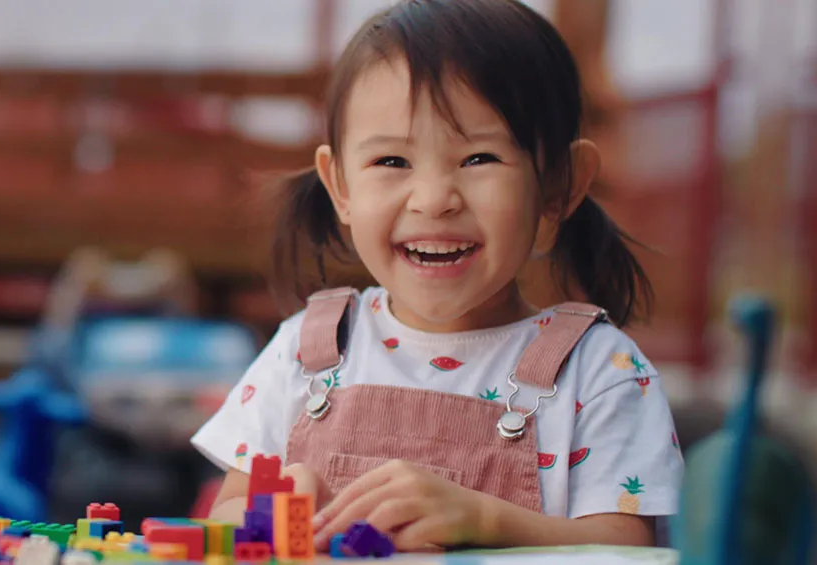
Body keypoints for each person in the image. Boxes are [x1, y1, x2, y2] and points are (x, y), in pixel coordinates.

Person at [190, 0, 683, 552]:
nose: (434, 200)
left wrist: (488, 522)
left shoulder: (599, 375)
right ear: (342, 187)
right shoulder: (307, 352)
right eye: (392, 162)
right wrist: (270, 509)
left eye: (479, 159)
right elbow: (222, 516)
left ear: (559, 186)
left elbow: (626, 550)